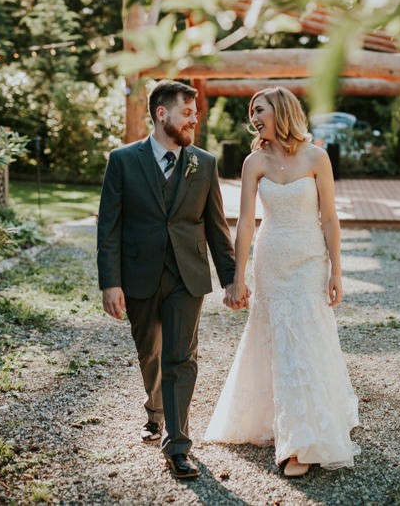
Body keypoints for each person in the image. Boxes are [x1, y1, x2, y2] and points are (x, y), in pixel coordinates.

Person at [205, 86, 360, 477]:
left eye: (261, 110)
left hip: (309, 260)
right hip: (270, 259)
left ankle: (304, 437)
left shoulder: (316, 157)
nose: (254, 117)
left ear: (282, 111)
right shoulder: (253, 162)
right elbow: (242, 224)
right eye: (252, 111)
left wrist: (336, 270)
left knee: (306, 339)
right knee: (277, 340)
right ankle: (287, 432)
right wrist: (235, 278)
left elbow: (329, 218)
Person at [97, 79, 245, 479]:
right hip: (139, 276)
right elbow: (108, 226)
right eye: (187, 112)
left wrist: (232, 278)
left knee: (181, 358)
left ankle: (177, 444)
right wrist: (110, 282)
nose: (194, 120)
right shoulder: (123, 161)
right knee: (151, 354)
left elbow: (216, 227)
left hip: (187, 276)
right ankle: (156, 410)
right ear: (162, 114)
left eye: (195, 114)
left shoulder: (204, 163)